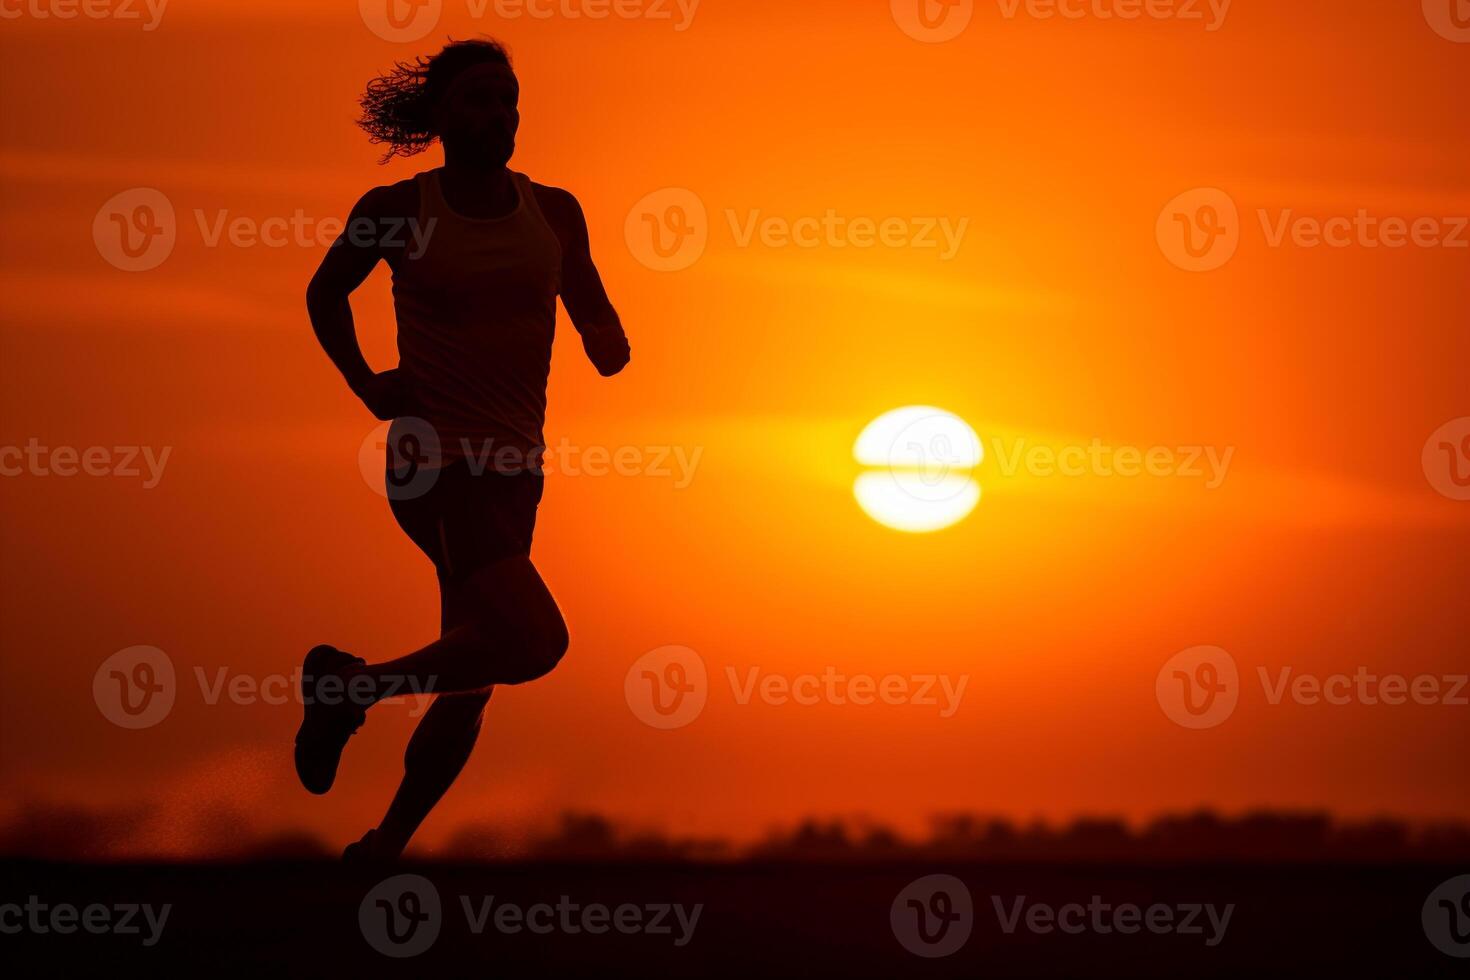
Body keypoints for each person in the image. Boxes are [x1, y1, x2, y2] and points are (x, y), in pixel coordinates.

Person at [298, 38, 630, 862]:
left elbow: (587, 294)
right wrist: (366, 382)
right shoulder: (399, 208)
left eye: (509, 100)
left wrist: (605, 335)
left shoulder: (553, 209)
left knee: (474, 674)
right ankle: (353, 689)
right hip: (433, 463)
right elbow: (325, 291)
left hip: (517, 472)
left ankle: (385, 844)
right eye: (480, 99)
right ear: (442, 115)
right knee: (538, 644)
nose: (500, 115)